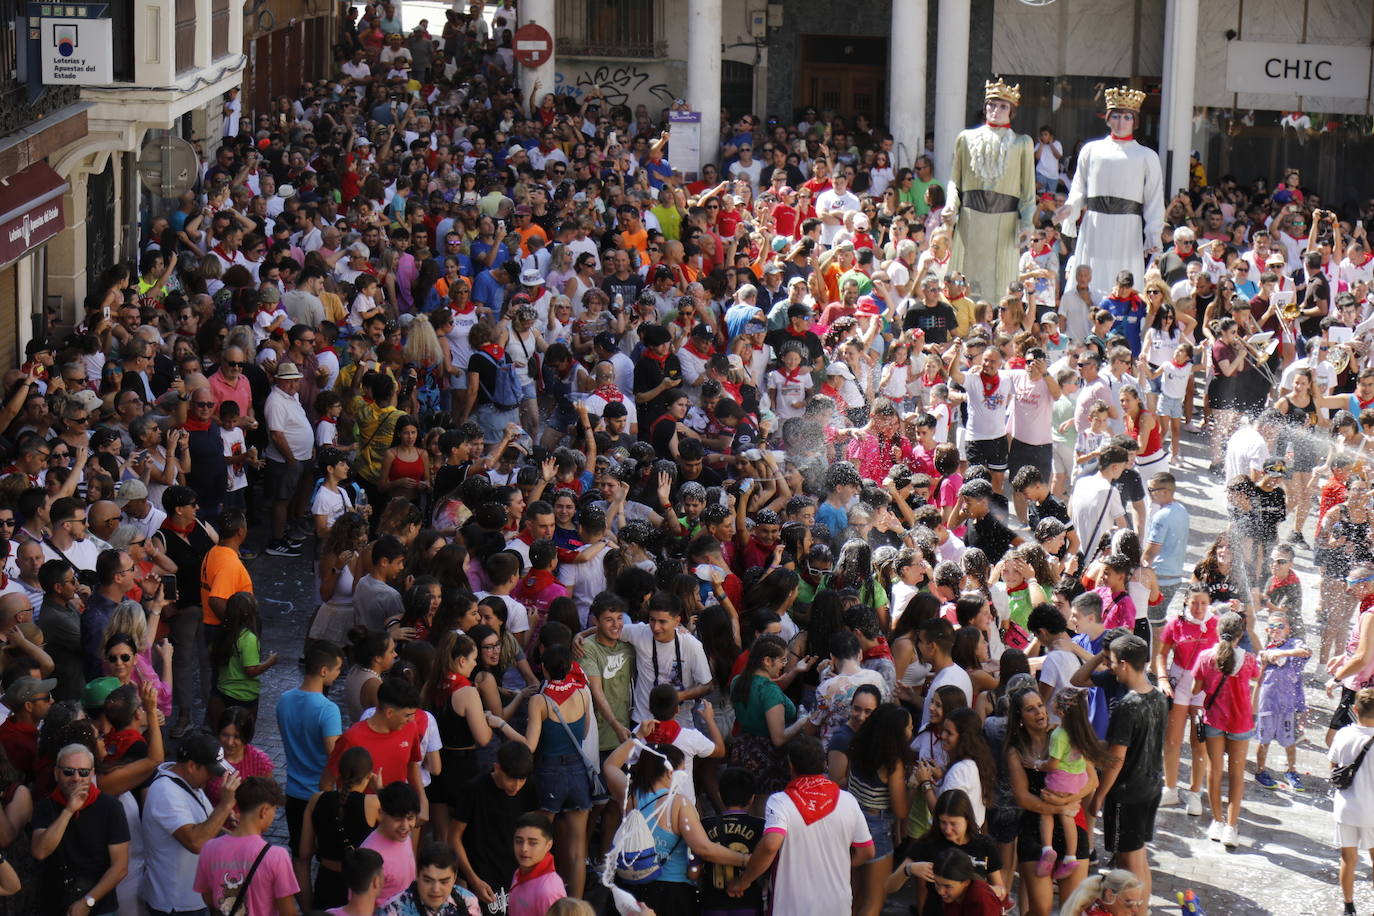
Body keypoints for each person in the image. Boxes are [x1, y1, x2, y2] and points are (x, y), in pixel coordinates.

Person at [727, 736, 873, 916]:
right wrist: (834, 866)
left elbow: (771, 844)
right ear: (825, 764)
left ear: (791, 766)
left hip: (791, 906)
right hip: (837, 905)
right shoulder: (848, 800)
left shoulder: (780, 802)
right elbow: (866, 852)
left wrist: (744, 881)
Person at [1055, 86, 1164, 300]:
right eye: (1116, 116)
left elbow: (1154, 198)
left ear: (1135, 120)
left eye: (1127, 117)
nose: (1121, 122)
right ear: (1107, 119)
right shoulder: (1091, 150)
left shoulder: (1147, 156)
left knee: (1123, 275)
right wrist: (1070, 208)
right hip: (1095, 224)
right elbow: (1078, 188)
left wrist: (1153, 232)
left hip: (1128, 226)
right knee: (1091, 274)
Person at [1085, 633, 1166, 900]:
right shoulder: (1157, 696)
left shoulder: (1127, 706)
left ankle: (1134, 908)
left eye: (1112, 661)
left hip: (1127, 794)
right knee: (1139, 857)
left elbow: (1116, 758)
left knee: (1127, 863)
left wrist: (1099, 795)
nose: (1109, 666)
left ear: (1124, 664)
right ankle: (1142, 909)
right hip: (1151, 786)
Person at [942, 79, 1035, 302]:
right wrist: (951, 204)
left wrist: (1027, 223)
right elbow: (955, 181)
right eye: (992, 104)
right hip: (970, 219)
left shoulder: (1022, 143)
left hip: (1005, 222)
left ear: (1011, 111)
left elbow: (1028, 192)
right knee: (965, 285)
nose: (996, 110)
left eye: (1003, 106)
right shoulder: (965, 138)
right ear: (985, 107)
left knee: (1001, 287)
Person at [141, 730, 242, 916]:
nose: (214, 777)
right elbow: (196, 842)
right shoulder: (166, 792)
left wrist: (242, 839)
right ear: (192, 766)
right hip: (176, 905)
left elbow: (208, 828)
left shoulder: (189, 782)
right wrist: (225, 806)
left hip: (194, 899)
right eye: (210, 771)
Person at [31, 743, 131, 916]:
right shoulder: (45, 806)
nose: (76, 778)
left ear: (92, 774)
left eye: (83, 772)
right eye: (68, 771)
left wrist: (87, 901)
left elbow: (120, 867)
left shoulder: (111, 807)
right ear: (56, 773)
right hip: (54, 903)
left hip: (99, 906)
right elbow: (40, 852)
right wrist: (69, 810)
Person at [1191, 611, 1260, 847]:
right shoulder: (1248, 660)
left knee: (1214, 770)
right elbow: (1255, 676)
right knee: (1237, 775)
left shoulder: (1205, 657)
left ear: (1217, 631)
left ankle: (1217, 821)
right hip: (1240, 722)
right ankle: (1231, 827)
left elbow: (1196, 690)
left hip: (1214, 720)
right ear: (1240, 635)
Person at [451, 742, 539, 916]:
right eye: (511, 778)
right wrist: (473, 879)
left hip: (515, 874)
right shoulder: (474, 790)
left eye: (522, 779)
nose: (517, 785)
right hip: (483, 876)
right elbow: (454, 837)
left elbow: (532, 830)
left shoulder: (529, 787)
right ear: (497, 768)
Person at [191, 776, 299, 916]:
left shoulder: (209, 847)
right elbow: (288, 911)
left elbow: (207, 895)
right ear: (264, 811)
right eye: (274, 810)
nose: (273, 817)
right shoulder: (277, 856)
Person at [276, 638, 345, 856]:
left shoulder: (284, 700)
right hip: (321, 796)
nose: (339, 674)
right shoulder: (328, 710)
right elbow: (335, 756)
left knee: (300, 855)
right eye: (337, 669)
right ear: (324, 671)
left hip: (294, 792)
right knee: (327, 856)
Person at [1253, 612, 1311, 791]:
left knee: (1290, 740)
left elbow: (1306, 652)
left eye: (1280, 626)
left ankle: (1291, 770)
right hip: (1268, 703)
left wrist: (1281, 653)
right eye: (1272, 626)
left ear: (1288, 630)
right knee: (1264, 740)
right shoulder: (1264, 652)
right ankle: (1261, 770)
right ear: (1267, 630)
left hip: (1288, 704)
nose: (1276, 629)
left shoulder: (1294, 644)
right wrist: (1264, 661)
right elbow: (1258, 679)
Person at [506, 813, 565, 916]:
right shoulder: (519, 873)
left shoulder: (548, 891)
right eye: (519, 841)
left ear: (548, 845)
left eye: (532, 843)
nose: (524, 848)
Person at [1058, 869, 1147, 916]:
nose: (1135, 910)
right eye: (1129, 903)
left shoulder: (1094, 906)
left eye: (1138, 904)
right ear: (1110, 895)